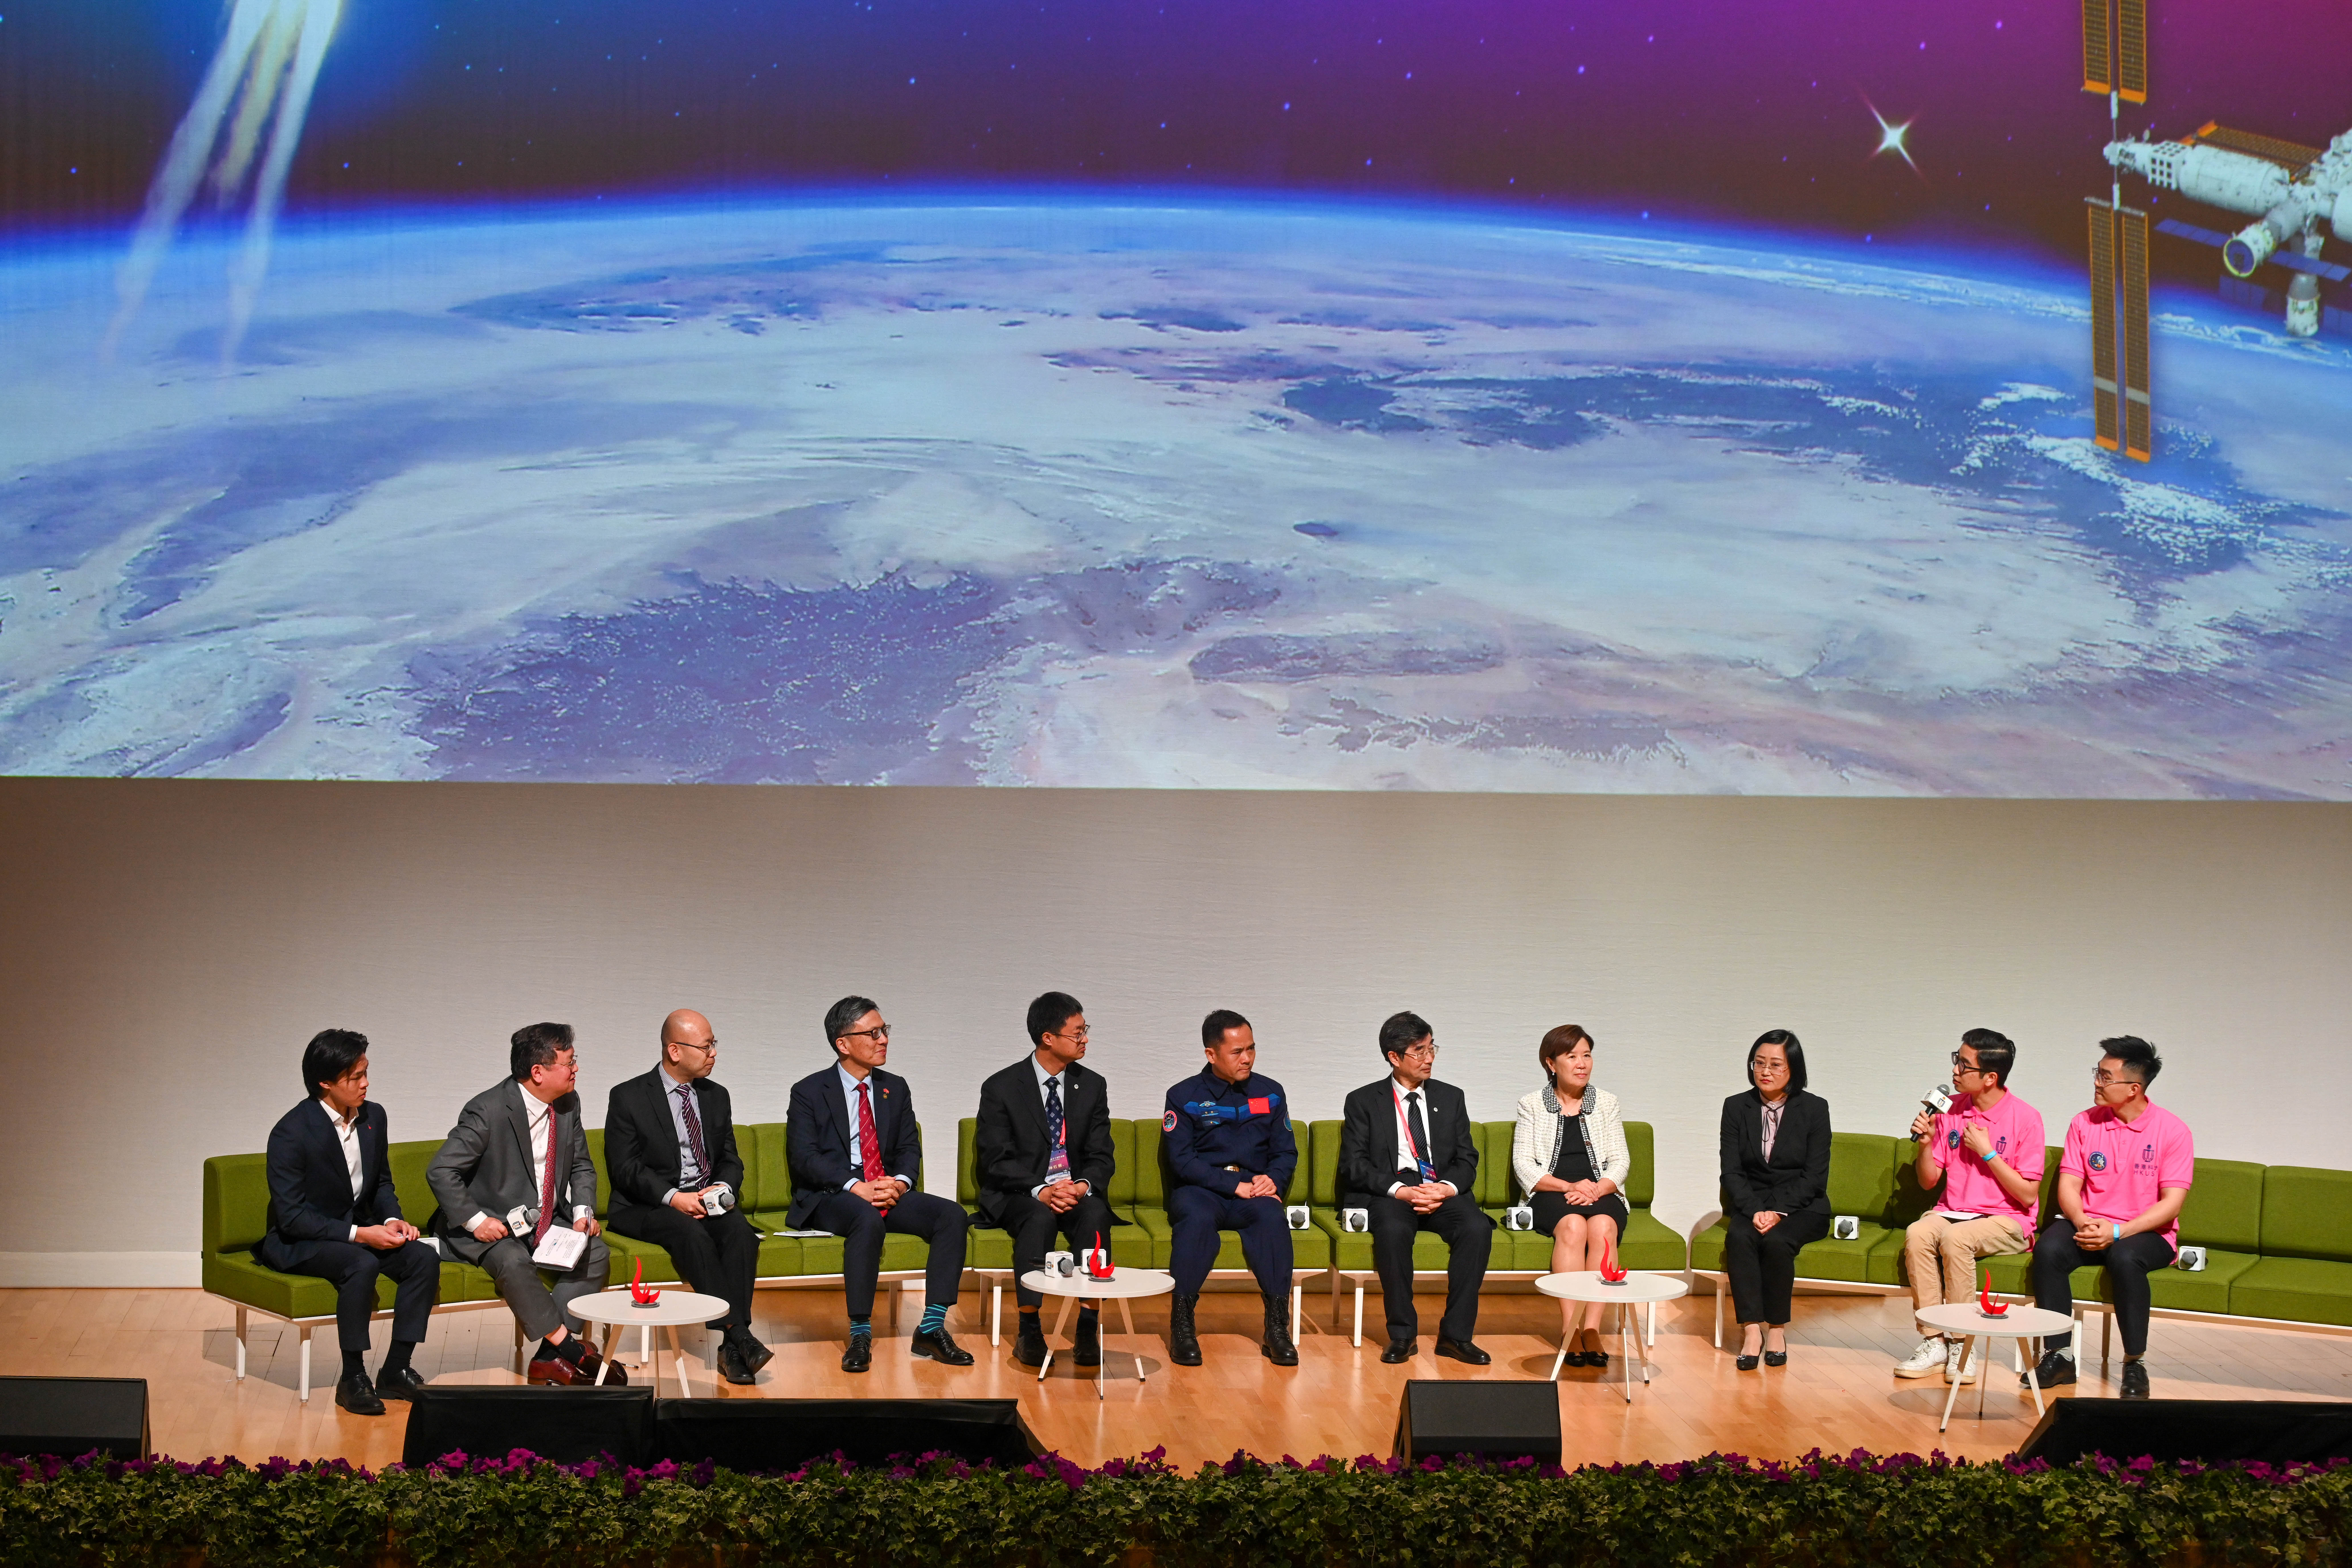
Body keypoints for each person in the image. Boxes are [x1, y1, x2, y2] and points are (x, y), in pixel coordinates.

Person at [254, 1029, 441, 1415]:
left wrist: (392, 1220)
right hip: (305, 1238)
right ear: (325, 1083)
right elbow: (292, 1217)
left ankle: (396, 1369)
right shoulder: (291, 1133)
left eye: (365, 1072)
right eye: (355, 1077)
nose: (365, 1084)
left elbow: (382, 1183)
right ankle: (353, 1378)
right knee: (362, 1262)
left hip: (360, 1228)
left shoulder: (374, 1117)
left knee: (423, 1258)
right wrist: (359, 1235)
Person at [785, 996, 973, 1373]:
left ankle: (932, 1329)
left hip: (885, 1187)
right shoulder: (809, 1091)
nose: (883, 1039)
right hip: (833, 1195)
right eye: (873, 1033)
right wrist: (856, 1186)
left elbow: (908, 1148)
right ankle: (860, 1333)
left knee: (952, 1215)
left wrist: (900, 1184)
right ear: (843, 1044)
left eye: (884, 1030)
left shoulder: (895, 1088)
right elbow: (805, 1158)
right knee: (866, 1219)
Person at [427, 1022, 619, 1388]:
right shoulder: (488, 1110)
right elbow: (441, 1170)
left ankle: (548, 1359)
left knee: (594, 1253)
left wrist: (582, 1212)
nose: (576, 1068)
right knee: (514, 1261)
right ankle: (573, 1351)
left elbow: (580, 1164)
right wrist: (475, 1220)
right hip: (494, 1224)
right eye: (569, 1062)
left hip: (546, 1221)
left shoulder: (567, 1103)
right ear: (538, 1072)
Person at [603, 1009, 771, 1386]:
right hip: (648, 1206)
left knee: (741, 1234)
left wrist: (723, 1189)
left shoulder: (715, 1096)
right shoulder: (629, 1097)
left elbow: (729, 1158)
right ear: (675, 1051)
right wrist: (674, 1197)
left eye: (715, 1044)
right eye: (706, 1046)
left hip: (707, 1200)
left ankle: (731, 1350)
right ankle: (738, 1334)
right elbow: (625, 1169)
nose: (714, 1053)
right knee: (690, 1234)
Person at [2023, 1036, 2192, 1401]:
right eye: (2097, 1074)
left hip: (2146, 1232)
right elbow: (2069, 1185)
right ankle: (2059, 1355)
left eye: (2105, 1076)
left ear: (2134, 1088)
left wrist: (2119, 1231)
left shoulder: (2172, 1131)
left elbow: (2172, 1203)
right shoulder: (2085, 1123)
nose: (2096, 1083)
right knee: (2050, 1248)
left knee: (2125, 1256)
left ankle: (2135, 1362)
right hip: (2090, 1222)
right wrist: (2083, 1221)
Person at [1338, 1011, 1492, 1364]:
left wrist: (1446, 1188)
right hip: (1393, 1190)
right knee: (1392, 1231)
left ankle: (1456, 1336)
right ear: (1394, 1057)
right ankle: (1403, 1334)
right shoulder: (1364, 1100)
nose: (1429, 1058)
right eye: (1419, 1051)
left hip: (1440, 1187)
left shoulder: (1451, 1097)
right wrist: (1401, 1190)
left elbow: (1467, 1158)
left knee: (1477, 1228)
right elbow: (1355, 1165)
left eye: (1432, 1048)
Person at [973, 991, 1116, 1370]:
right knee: (1039, 1219)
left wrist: (1081, 1187)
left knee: (1095, 1216)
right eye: (1077, 1032)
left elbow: (1102, 1154)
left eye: (1086, 1030)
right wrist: (1043, 1191)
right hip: (1022, 1192)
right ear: (1048, 1038)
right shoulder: (1001, 1087)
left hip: (1073, 1188)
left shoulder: (1092, 1085)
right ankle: (1029, 1329)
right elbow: (995, 1159)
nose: (1085, 1039)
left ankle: (1088, 1328)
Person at [1895, 1028, 2045, 1385]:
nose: (1955, 1071)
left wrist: (1988, 1152)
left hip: (2007, 1220)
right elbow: (1929, 1182)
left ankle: (1963, 1343)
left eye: (1964, 1065)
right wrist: (1926, 1144)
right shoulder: (1951, 1110)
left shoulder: (2026, 1118)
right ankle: (1934, 1342)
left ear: (1991, 1077)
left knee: (1957, 1239)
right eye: (1957, 1060)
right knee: (1918, 1232)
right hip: (1953, 1210)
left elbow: (2027, 1194)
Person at [1161, 1009, 1298, 1368]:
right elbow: (1183, 1161)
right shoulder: (1183, 1095)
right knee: (1196, 1222)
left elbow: (1285, 1151)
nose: (1248, 1058)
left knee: (1271, 1218)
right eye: (1238, 1051)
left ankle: (1277, 1327)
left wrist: (1274, 1179)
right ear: (1212, 1054)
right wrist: (1231, 1184)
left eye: (1252, 1048)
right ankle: (1183, 1325)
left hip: (1253, 1190)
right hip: (1200, 1189)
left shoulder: (1271, 1092)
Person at [1510, 1024, 1631, 1369]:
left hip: (1600, 1190)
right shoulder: (1532, 1104)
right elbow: (1524, 1166)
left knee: (1604, 1226)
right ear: (1551, 1063)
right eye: (1572, 1056)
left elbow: (1621, 1160)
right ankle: (1570, 1326)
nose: (1582, 1064)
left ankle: (1592, 1327)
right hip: (1552, 1190)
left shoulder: (1607, 1102)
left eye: (1587, 1055)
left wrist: (1598, 1186)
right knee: (1574, 1226)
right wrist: (1569, 1186)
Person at [1717, 1028, 1831, 1370]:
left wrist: (1778, 1211)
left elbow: (1815, 1176)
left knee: (1778, 1242)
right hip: (1752, 1202)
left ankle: (1777, 1329)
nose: (1765, 1071)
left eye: (1775, 1065)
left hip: (1802, 1205)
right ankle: (1752, 1330)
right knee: (1739, 1236)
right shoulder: (1737, 1106)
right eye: (1759, 1063)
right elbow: (1731, 1171)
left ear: (1793, 1069)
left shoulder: (1815, 1109)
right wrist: (1755, 1210)